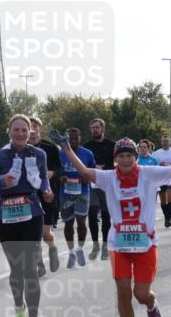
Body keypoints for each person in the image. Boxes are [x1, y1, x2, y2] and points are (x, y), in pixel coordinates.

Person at [54, 130, 171, 317]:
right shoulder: (108, 177)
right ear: (116, 158)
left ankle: (152, 307)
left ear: (135, 157)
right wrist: (66, 149)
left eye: (129, 155)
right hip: (119, 245)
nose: (125, 160)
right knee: (123, 291)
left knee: (141, 294)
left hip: (146, 244)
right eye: (121, 156)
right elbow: (85, 172)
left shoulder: (148, 173)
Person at [0, 114, 53, 317]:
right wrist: (2, 182)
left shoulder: (38, 154)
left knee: (29, 267)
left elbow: (43, 178)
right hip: (7, 216)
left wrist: (47, 190)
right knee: (16, 269)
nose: (21, 133)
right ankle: (19, 308)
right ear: (9, 131)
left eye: (24, 130)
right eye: (16, 129)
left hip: (32, 213)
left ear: (31, 132)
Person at [29, 117, 62, 275]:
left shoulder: (50, 147)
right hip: (29, 195)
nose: (32, 130)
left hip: (48, 194)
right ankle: (40, 265)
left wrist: (53, 173)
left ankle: (52, 247)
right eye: (29, 127)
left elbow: (61, 169)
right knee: (33, 235)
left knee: (45, 233)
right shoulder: (21, 148)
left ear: (40, 129)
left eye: (35, 126)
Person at [59, 127, 96, 267]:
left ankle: (80, 249)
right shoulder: (60, 153)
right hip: (66, 193)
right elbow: (56, 170)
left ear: (80, 138)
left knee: (81, 222)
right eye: (71, 139)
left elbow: (93, 170)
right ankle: (71, 252)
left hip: (82, 192)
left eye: (76, 138)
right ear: (67, 139)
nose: (73, 141)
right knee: (68, 223)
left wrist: (88, 177)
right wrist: (60, 177)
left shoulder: (87, 153)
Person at [83, 117, 114, 261]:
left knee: (106, 216)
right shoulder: (86, 147)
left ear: (103, 129)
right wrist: (93, 168)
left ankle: (105, 246)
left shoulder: (112, 145)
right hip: (92, 184)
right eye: (93, 128)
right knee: (92, 212)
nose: (95, 130)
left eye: (97, 127)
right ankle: (95, 244)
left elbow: (118, 163)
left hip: (107, 183)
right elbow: (83, 164)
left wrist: (105, 168)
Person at [153, 135, 171, 228]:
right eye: (163, 141)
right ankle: (166, 218)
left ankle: (168, 220)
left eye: (166, 141)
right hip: (161, 178)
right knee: (163, 201)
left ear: (170, 142)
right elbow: (153, 164)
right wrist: (159, 164)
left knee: (170, 198)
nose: (165, 143)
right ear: (161, 142)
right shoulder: (157, 153)